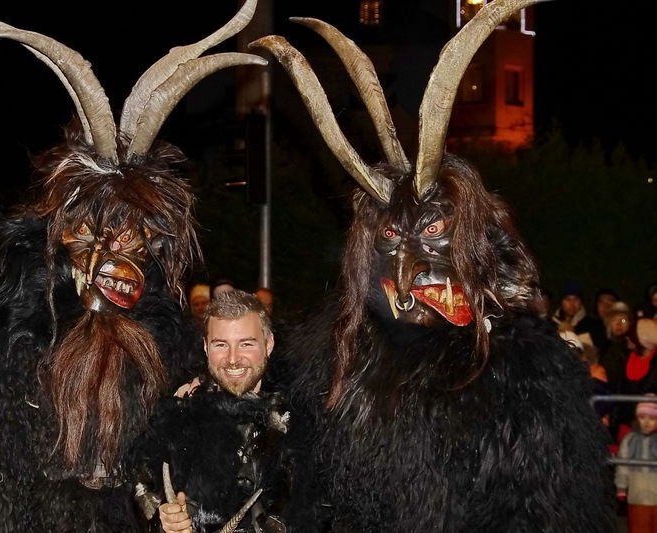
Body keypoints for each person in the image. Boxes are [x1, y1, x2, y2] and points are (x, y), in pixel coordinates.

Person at [253, 3, 613, 530]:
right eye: (391, 237)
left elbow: (546, 506)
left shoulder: (523, 374)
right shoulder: (338, 363)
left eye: (434, 232)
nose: (406, 265)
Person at [0, 1, 264, 531]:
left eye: (136, 236)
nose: (117, 252)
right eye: (95, 231)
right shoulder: (12, 342)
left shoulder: (168, 349)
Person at [133, 290, 295, 532]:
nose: (233, 359)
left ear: (268, 344)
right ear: (206, 347)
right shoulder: (176, 418)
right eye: (221, 344)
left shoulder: (297, 422)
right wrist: (165, 520)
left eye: (246, 344)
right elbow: (145, 495)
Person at [616, 398, 657, 533]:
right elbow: (622, 465)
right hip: (637, 496)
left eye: (652, 418)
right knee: (639, 527)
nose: (646, 422)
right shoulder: (630, 440)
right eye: (642, 417)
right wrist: (621, 486)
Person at [552, 282, 607, 352]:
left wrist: (572, 334)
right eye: (568, 299)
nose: (572, 304)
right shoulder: (550, 324)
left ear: (581, 302)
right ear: (561, 303)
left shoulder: (593, 325)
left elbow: (596, 352)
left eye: (576, 299)